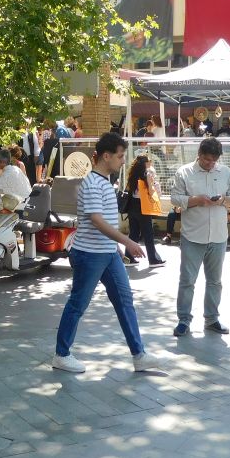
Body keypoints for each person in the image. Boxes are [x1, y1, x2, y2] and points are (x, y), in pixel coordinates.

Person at [51, 132, 160, 373]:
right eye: (120, 156)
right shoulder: (92, 183)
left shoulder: (104, 182)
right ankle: (61, 354)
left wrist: (116, 247)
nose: (123, 161)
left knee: (125, 301)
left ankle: (139, 355)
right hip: (89, 254)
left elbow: (104, 221)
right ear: (106, 156)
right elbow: (97, 220)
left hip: (107, 253)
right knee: (78, 304)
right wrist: (127, 242)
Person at [170, 137, 230, 336]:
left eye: (214, 160)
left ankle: (212, 319)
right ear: (199, 155)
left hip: (218, 236)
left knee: (215, 282)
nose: (210, 164)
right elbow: (175, 198)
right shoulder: (184, 172)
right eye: (207, 159)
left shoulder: (225, 172)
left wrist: (224, 200)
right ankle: (184, 320)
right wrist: (196, 200)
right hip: (192, 236)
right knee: (187, 281)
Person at [125, 154, 164, 267]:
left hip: (132, 206)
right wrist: (154, 185)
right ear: (145, 163)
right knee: (148, 234)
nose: (150, 163)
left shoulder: (132, 175)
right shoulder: (147, 174)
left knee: (134, 233)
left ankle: (128, 258)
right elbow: (151, 192)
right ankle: (153, 260)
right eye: (149, 161)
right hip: (143, 207)